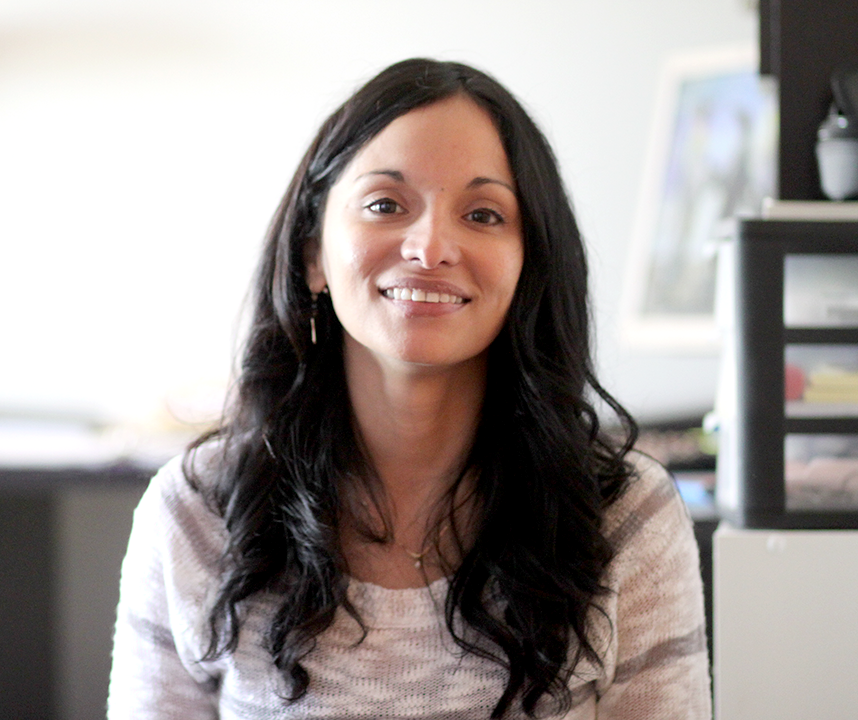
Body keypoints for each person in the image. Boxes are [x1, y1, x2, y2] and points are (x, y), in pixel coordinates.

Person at [108, 58, 711, 719]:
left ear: (527, 264)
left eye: (483, 215)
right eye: (385, 205)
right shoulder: (196, 511)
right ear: (314, 253)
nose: (430, 246)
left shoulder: (628, 518)